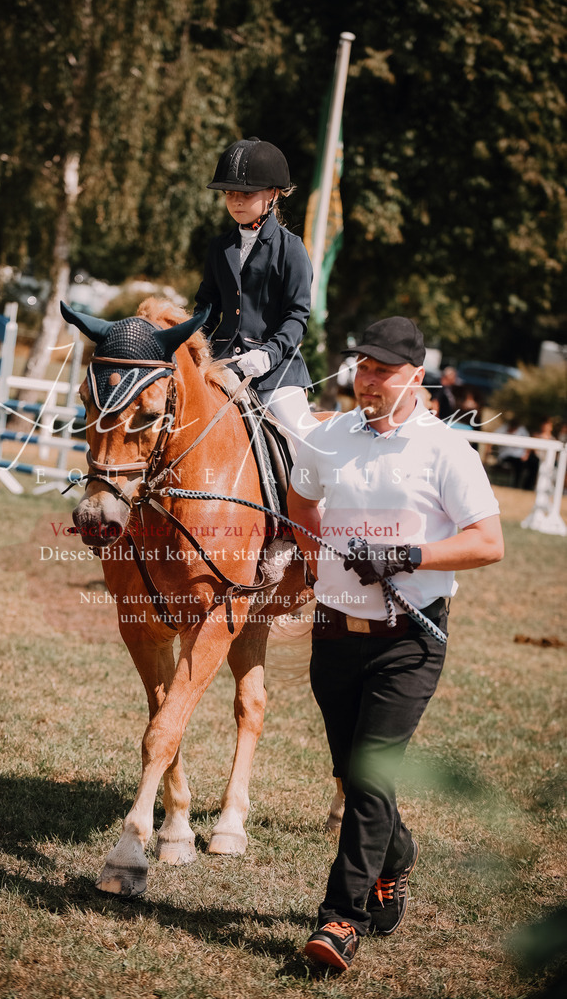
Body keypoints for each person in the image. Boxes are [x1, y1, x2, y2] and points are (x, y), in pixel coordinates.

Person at [286, 316, 504, 975]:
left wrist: (408, 554)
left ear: (415, 376)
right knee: (354, 777)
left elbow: (487, 541)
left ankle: (340, 919)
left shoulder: (445, 451)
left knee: (372, 773)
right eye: (362, 366)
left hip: (410, 637)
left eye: (382, 370)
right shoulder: (328, 437)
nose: (367, 379)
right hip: (334, 633)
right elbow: (301, 500)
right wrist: (319, 556)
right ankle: (397, 854)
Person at [194, 136, 317, 440]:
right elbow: (207, 308)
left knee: (304, 441)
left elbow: (297, 316)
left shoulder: (291, 249)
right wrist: (191, 344)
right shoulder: (219, 247)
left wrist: (268, 354)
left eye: (246, 194)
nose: (236, 200)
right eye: (230, 193)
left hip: (275, 373)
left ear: (273, 194)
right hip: (222, 363)